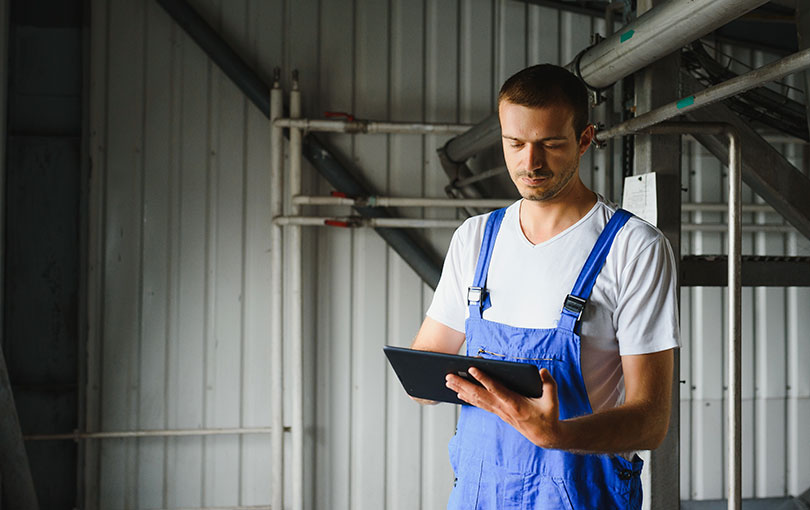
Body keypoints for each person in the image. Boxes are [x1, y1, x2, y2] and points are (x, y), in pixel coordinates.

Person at [410, 64, 680, 509]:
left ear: (585, 139)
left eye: (550, 144)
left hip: (581, 496)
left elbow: (650, 422)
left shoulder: (633, 248)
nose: (529, 163)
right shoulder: (476, 239)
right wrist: (427, 382)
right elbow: (424, 374)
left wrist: (557, 435)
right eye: (514, 144)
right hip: (480, 495)